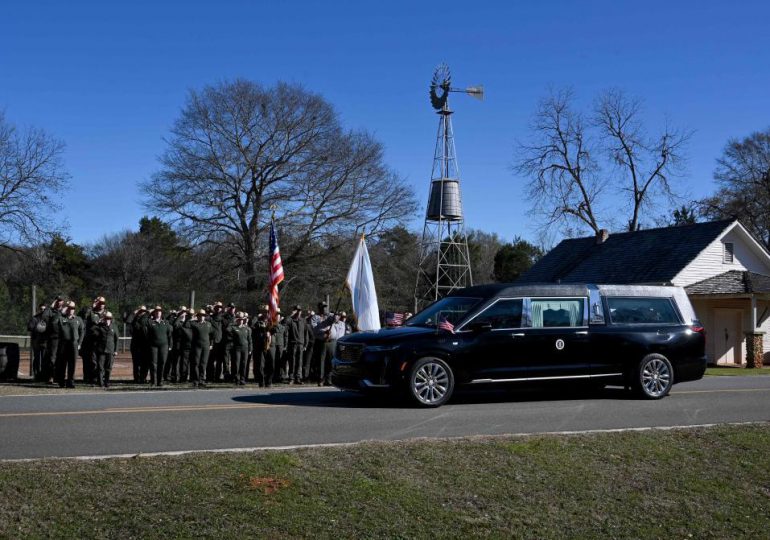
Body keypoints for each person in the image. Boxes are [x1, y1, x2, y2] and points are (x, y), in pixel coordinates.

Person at [55, 301, 84, 388]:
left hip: (74, 344)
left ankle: (70, 382)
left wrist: (79, 343)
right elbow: (53, 323)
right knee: (62, 364)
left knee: (72, 364)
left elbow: (82, 331)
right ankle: (61, 381)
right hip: (63, 344)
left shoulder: (78, 319)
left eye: (73, 308)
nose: (71, 310)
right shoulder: (61, 318)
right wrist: (60, 312)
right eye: (69, 308)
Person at [144, 306, 172, 387]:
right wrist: (149, 314)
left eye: (160, 311)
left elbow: (169, 335)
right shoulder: (150, 322)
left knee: (162, 363)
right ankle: (153, 381)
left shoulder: (165, 322)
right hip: (153, 346)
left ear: (161, 313)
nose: (158, 312)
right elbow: (144, 326)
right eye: (156, 311)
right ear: (154, 313)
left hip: (164, 346)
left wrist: (170, 345)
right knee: (153, 364)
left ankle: (160, 381)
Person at [41, 296, 65, 384]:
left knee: (61, 358)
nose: (59, 302)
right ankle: (51, 376)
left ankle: (59, 377)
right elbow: (43, 317)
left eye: (61, 301)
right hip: (53, 339)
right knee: (52, 358)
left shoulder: (65, 311)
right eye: (58, 301)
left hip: (63, 339)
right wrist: (50, 307)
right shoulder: (50, 311)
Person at [318, 312, 346, 386]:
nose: (336, 317)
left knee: (331, 362)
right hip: (325, 342)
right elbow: (320, 329)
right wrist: (325, 332)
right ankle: (321, 379)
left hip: (334, 343)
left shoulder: (342, 324)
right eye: (335, 316)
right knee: (322, 361)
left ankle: (329, 379)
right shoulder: (327, 322)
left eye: (338, 316)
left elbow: (340, 335)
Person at [92, 311, 119, 388]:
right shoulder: (100, 326)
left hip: (110, 350)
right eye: (106, 318)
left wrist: (116, 350)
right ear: (104, 318)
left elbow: (116, 339)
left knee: (108, 368)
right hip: (101, 350)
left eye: (109, 318)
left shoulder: (114, 326)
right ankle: (100, 382)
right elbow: (93, 332)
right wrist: (98, 323)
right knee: (100, 367)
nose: (108, 320)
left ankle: (107, 382)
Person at [190, 309, 215, 387]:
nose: (202, 317)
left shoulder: (208, 324)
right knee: (196, 363)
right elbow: (186, 325)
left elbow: (212, 335)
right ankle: (195, 380)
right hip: (197, 346)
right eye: (200, 316)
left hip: (206, 346)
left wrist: (211, 344)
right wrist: (192, 317)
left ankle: (201, 380)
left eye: (203, 316)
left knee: (203, 364)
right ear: (197, 316)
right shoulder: (194, 324)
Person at [125, 305, 149, 383]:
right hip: (136, 344)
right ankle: (137, 379)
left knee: (145, 363)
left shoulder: (147, 319)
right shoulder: (134, 319)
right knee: (136, 363)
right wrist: (134, 313)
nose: (141, 312)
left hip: (145, 344)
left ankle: (143, 378)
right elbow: (128, 321)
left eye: (143, 311)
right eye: (140, 311)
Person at [229, 312, 252, 386]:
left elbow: (250, 340)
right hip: (237, 348)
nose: (241, 321)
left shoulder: (247, 329)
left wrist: (250, 349)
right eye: (239, 319)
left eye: (242, 319)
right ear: (237, 320)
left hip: (245, 348)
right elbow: (227, 330)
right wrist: (233, 322)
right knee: (237, 364)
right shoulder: (233, 327)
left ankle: (243, 379)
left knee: (244, 364)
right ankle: (236, 379)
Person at [27, 303, 48, 381]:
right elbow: (29, 327)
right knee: (37, 358)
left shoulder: (47, 319)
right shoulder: (35, 318)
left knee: (44, 359)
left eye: (44, 309)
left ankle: (44, 375)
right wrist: (37, 328)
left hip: (45, 342)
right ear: (39, 309)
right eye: (41, 309)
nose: (42, 310)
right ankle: (37, 375)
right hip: (36, 342)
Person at [287, 305, 307, 384]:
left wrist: (305, 344)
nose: (298, 312)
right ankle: (291, 378)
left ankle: (298, 378)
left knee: (299, 362)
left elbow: (306, 333)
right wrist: (291, 315)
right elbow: (285, 322)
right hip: (293, 344)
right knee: (292, 361)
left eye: (300, 310)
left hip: (301, 344)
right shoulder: (290, 320)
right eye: (297, 310)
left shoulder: (303, 321)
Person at [174, 308, 193, 383]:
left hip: (189, 344)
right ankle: (180, 377)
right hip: (180, 343)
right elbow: (175, 326)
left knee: (188, 362)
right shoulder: (180, 321)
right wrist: (180, 317)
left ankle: (186, 377)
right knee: (180, 362)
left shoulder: (191, 322)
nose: (187, 315)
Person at [208, 301, 225, 382]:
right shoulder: (210, 317)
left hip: (220, 342)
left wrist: (212, 311)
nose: (218, 309)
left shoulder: (222, 317)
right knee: (210, 361)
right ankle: (210, 376)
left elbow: (218, 318)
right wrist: (210, 311)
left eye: (220, 307)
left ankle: (217, 377)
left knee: (219, 361)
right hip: (211, 342)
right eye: (216, 307)